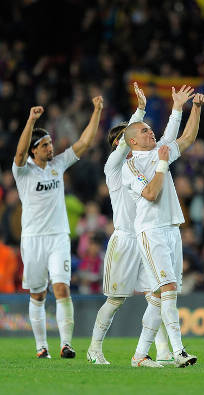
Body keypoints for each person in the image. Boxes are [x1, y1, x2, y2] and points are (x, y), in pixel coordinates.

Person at [87, 83, 195, 366]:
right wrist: (141, 109)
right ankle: (95, 348)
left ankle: (155, 353)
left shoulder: (147, 157)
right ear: (120, 144)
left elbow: (170, 138)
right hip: (125, 238)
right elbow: (129, 139)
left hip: (148, 233)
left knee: (156, 295)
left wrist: (175, 110)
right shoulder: (115, 166)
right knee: (115, 299)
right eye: (123, 140)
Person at [12, 96, 103, 359]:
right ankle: (42, 347)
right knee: (38, 294)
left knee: (62, 287)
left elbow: (84, 143)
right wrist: (31, 120)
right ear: (34, 151)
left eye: (50, 143)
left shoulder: (57, 165)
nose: (51, 148)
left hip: (58, 237)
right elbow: (18, 153)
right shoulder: (23, 172)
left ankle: (66, 344)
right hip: (33, 239)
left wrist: (96, 110)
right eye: (44, 145)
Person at [122, 92, 204, 368]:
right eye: (145, 130)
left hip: (171, 228)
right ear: (133, 140)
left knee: (160, 296)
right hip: (151, 230)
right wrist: (161, 161)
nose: (151, 132)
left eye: (150, 128)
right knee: (167, 287)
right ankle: (179, 350)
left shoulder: (159, 152)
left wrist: (192, 108)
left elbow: (187, 138)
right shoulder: (131, 165)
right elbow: (150, 193)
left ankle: (139, 355)